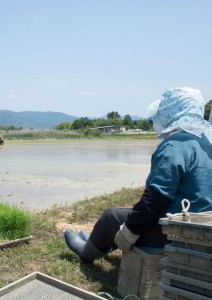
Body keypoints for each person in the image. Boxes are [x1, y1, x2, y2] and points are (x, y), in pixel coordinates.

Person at [64, 87, 212, 263]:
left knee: (111, 217)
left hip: (176, 232)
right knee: (129, 214)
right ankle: (97, 241)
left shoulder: (174, 146)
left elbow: (156, 198)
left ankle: (86, 251)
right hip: (201, 229)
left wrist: (129, 231)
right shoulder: (205, 143)